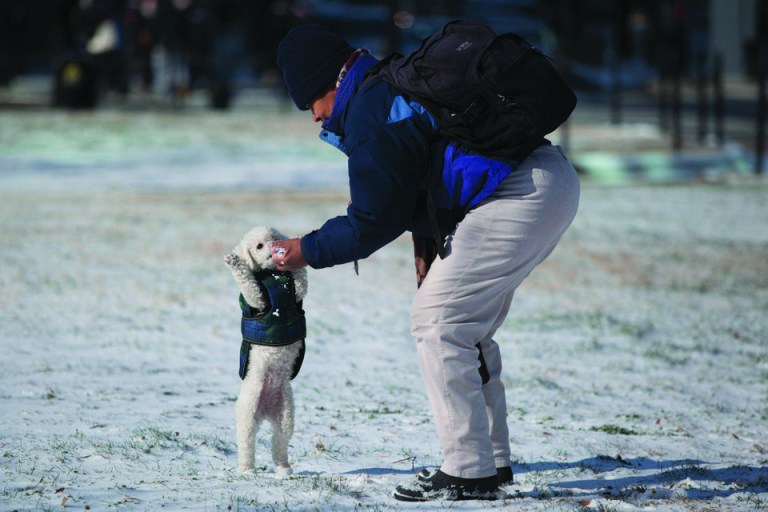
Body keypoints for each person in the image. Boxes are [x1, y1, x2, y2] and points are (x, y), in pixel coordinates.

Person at [270, 24, 580, 502]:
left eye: (308, 101)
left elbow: (374, 218)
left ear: (327, 82)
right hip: (543, 180)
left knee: (438, 322)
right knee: (465, 327)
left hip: (519, 192)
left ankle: (468, 470)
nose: (313, 116)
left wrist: (305, 249)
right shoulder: (386, 86)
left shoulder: (372, 112)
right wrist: (426, 241)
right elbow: (429, 168)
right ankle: (490, 462)